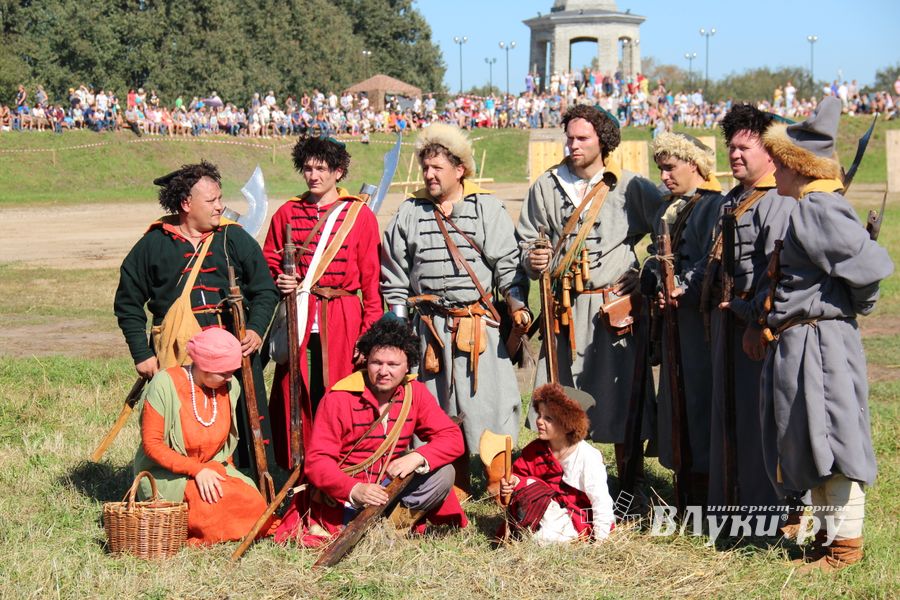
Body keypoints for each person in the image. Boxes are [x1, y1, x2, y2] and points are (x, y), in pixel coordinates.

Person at [760, 97, 893, 570]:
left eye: (778, 163)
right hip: (802, 341)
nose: (772, 170)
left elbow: (872, 266)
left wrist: (854, 307)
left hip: (821, 344)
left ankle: (844, 548)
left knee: (833, 441)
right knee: (811, 440)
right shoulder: (807, 206)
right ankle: (823, 541)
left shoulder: (817, 208)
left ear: (798, 166)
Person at [517, 104, 664, 481]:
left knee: (622, 401)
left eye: (582, 138)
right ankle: (561, 485)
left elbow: (667, 233)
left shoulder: (630, 187)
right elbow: (526, 243)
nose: (573, 145)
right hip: (563, 312)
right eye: (569, 137)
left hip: (611, 311)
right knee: (558, 402)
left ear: (604, 141)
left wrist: (644, 272)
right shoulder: (546, 187)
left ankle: (630, 486)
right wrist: (534, 260)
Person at [381, 123, 530, 493]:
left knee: (491, 406)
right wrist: (401, 335)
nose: (429, 175)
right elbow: (394, 277)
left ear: (459, 169)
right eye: (425, 167)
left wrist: (516, 305)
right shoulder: (409, 213)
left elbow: (508, 267)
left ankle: (499, 482)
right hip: (427, 331)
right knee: (436, 408)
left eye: (437, 168)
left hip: (477, 327)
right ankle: (452, 482)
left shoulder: (486, 209)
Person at [114, 161, 278, 468]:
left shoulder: (234, 238)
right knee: (184, 428)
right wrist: (141, 352)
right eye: (211, 201)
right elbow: (127, 302)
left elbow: (265, 290)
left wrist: (255, 329)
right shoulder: (153, 244)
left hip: (236, 350)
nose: (220, 207)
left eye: (219, 198)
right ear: (186, 204)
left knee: (247, 427)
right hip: (180, 354)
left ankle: (250, 491)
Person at [275, 316, 468, 544]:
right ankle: (365, 530)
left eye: (393, 365)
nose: (383, 371)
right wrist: (354, 489)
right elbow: (318, 462)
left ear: (407, 365)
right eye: (377, 362)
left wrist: (417, 456)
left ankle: (392, 528)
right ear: (367, 361)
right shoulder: (339, 398)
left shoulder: (413, 392)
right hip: (343, 497)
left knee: (444, 473)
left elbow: (452, 438)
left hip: (389, 489)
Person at [262, 135, 382, 470]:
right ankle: (294, 464)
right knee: (294, 391)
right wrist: (280, 279)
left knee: (340, 393)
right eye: (308, 168)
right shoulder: (288, 212)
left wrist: (369, 335)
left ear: (338, 172)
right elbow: (269, 260)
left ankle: (342, 464)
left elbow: (372, 283)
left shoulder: (359, 216)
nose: (313, 176)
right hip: (299, 313)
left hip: (342, 315)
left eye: (322, 169)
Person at [701, 104, 796, 521]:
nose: (735, 155)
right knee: (730, 415)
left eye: (745, 148)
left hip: (756, 327)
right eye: (731, 147)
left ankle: (766, 514)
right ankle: (731, 507)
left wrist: (757, 324)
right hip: (730, 319)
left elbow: (775, 274)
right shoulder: (734, 199)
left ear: (771, 153)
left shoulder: (777, 201)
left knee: (760, 423)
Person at [643, 132, 726, 507]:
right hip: (671, 318)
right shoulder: (669, 206)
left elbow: (710, 259)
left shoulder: (711, 205)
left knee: (697, 396)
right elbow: (657, 256)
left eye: (671, 167)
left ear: (693, 165)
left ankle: (706, 484)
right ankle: (685, 478)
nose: (664, 175)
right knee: (676, 396)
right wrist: (652, 277)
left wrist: (682, 288)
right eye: (660, 168)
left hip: (698, 320)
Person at [133, 328, 271, 545]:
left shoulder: (229, 386)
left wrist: (224, 474)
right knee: (208, 506)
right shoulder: (163, 385)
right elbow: (152, 445)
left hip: (212, 468)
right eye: (224, 372)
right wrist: (196, 470)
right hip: (167, 473)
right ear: (205, 365)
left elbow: (224, 448)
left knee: (252, 500)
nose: (229, 378)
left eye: (231, 372)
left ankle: (232, 527)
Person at [500, 384, 616, 543]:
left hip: (575, 518)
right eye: (539, 415)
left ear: (568, 425)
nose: (539, 421)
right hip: (542, 511)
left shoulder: (587, 457)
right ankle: (530, 532)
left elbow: (600, 500)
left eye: (548, 418)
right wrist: (511, 482)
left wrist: (601, 540)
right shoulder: (534, 450)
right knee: (527, 484)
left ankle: (556, 536)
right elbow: (518, 476)